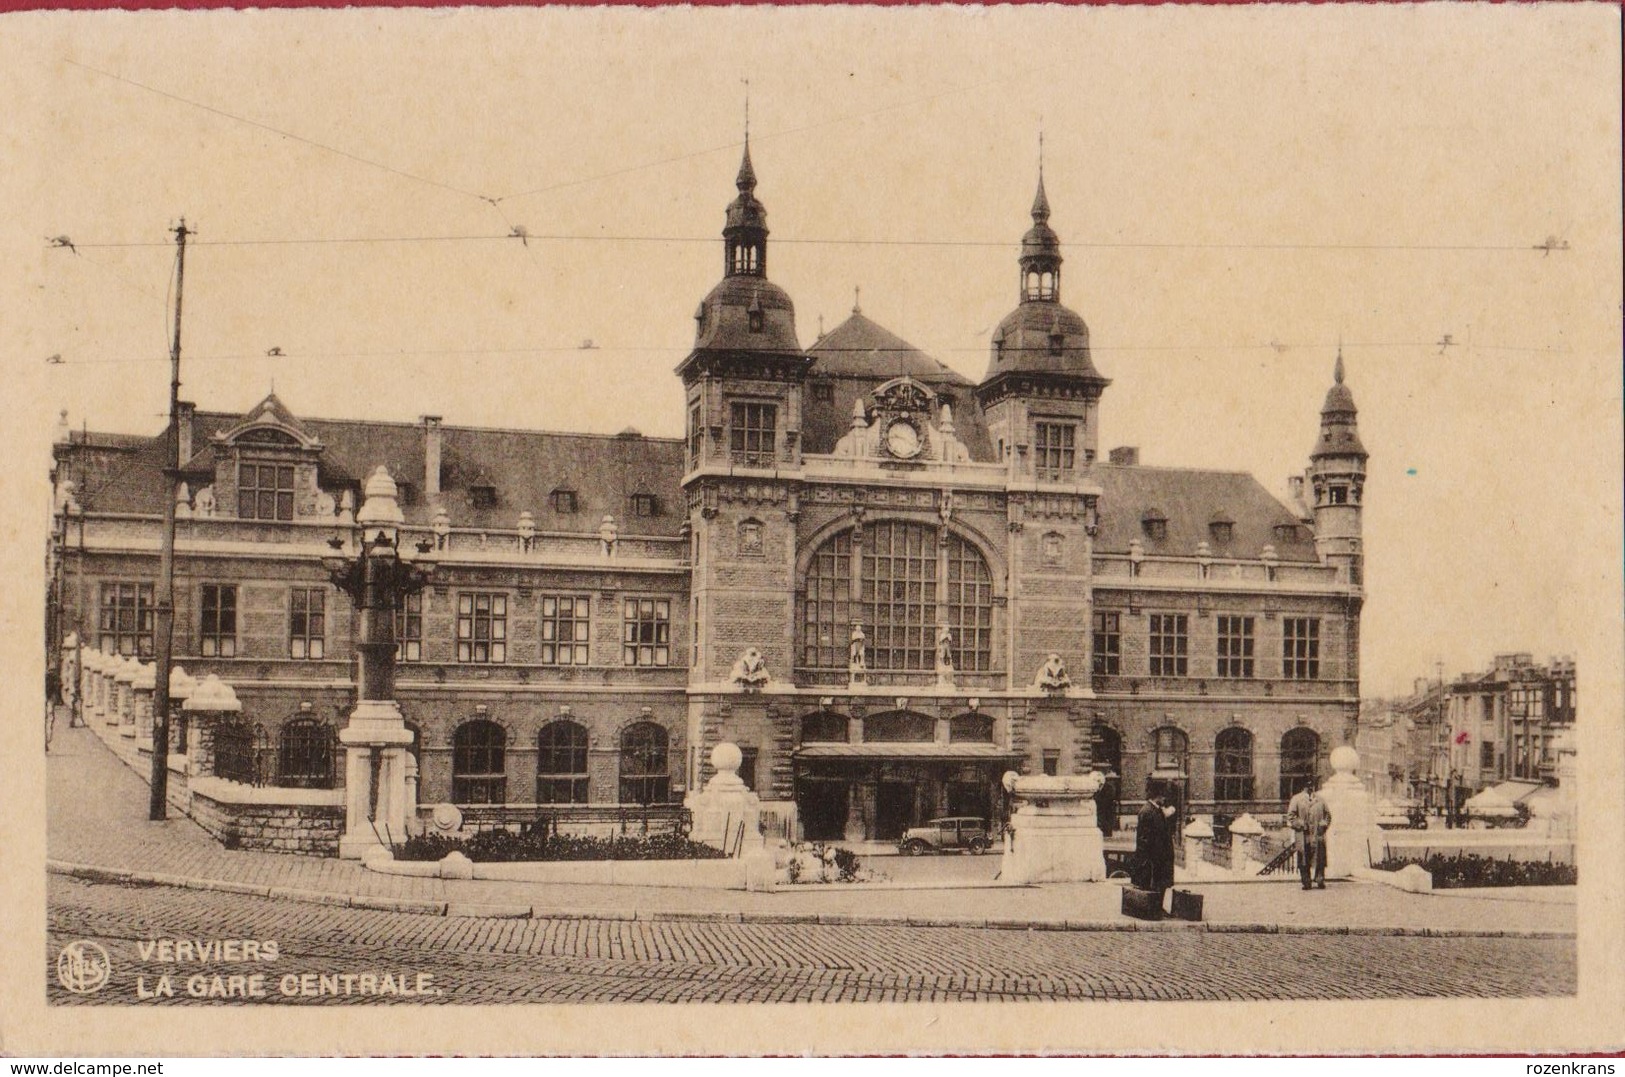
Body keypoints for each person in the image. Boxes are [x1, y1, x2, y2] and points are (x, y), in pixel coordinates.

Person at [1287, 776, 1333, 889]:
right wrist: (1300, 824)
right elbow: (1291, 817)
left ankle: (1320, 879)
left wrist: (1324, 823)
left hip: (1318, 833)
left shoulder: (1321, 800)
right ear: (1303, 787)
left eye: (1311, 785)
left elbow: (1328, 815)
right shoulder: (1296, 799)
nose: (1310, 787)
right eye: (1307, 785)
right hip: (1303, 834)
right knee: (1304, 858)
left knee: (1320, 857)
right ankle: (1306, 881)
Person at [1133, 791, 1177, 909]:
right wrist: (1149, 858)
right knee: (1153, 884)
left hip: (1160, 856)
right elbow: (1144, 838)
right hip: (1155, 857)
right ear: (1156, 796)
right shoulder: (1148, 811)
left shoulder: (1155, 810)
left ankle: (1157, 908)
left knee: (1160, 884)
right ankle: (1153, 909)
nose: (1164, 800)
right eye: (1162, 796)